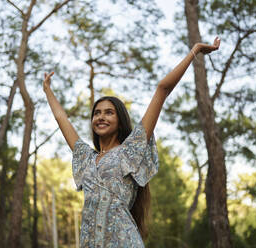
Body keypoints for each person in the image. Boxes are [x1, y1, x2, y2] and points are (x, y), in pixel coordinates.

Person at [43, 37, 220, 248]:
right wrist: (48, 91)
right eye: (97, 113)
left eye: (109, 113)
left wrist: (195, 51)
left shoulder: (131, 150)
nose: (101, 117)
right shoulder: (85, 157)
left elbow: (162, 90)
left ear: (119, 120)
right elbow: (61, 119)